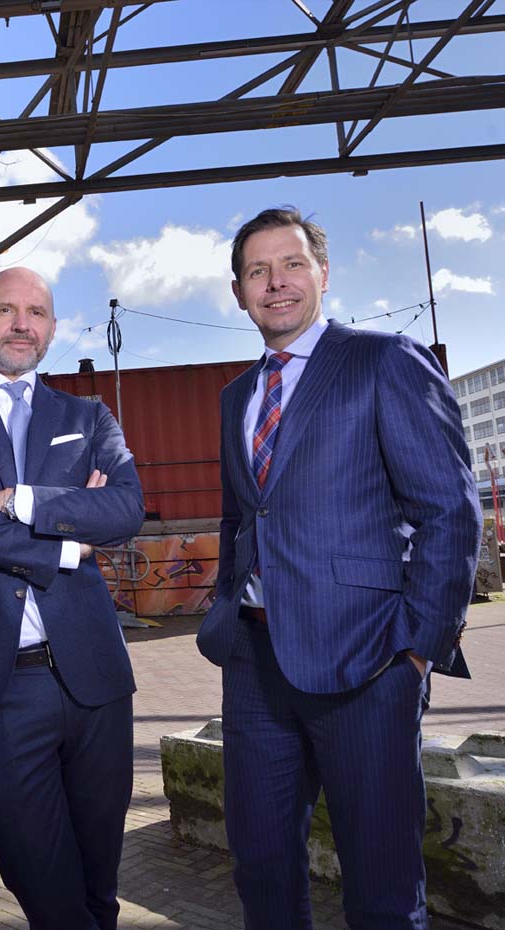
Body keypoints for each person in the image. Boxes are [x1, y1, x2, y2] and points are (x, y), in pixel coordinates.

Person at [196, 207, 481, 929]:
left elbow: (450, 511)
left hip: (368, 663)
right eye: (257, 271)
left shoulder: (384, 360)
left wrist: (417, 650)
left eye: (291, 264)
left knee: (381, 886)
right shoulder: (236, 397)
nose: (276, 282)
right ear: (239, 292)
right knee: (261, 869)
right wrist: (226, 608)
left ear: (323, 273)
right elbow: (241, 518)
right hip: (255, 665)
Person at [0, 266, 144, 930]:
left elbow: (125, 509)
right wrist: (69, 543)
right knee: (44, 885)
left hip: (95, 680)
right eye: (6, 310)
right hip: (0, 688)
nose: (22, 324)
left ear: (51, 327)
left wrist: (18, 500)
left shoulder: (87, 416)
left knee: (99, 886)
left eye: (36, 312)